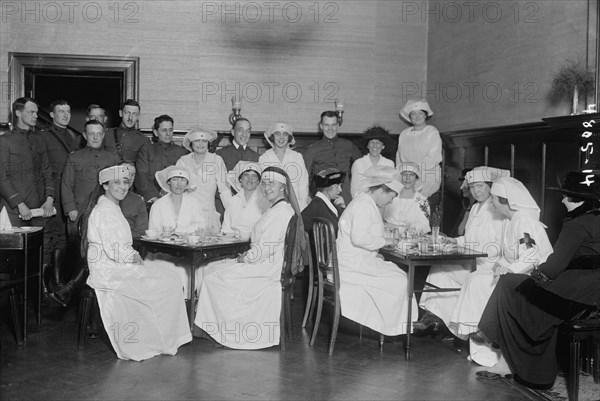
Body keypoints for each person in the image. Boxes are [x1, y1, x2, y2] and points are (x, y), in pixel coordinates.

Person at [473, 171, 600, 389]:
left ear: (575, 199)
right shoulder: (594, 217)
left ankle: (494, 338)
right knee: (511, 287)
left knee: (508, 286)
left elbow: (547, 263)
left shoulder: (573, 223)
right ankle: (492, 335)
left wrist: (532, 278)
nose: (561, 200)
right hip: (592, 289)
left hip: (575, 294)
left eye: (565, 196)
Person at [80, 163, 191, 361]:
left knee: (171, 276)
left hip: (120, 263)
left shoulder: (112, 207)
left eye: (125, 182)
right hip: (109, 271)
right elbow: (115, 250)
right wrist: (134, 258)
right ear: (105, 185)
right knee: (167, 282)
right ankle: (156, 339)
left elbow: (120, 246)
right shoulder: (105, 211)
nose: (123, 186)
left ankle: (163, 337)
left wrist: (133, 257)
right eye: (116, 182)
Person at [193, 166, 307, 349]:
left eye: (272, 184)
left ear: (283, 187)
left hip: (267, 270)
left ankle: (220, 331)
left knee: (213, 278)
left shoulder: (281, 212)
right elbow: (264, 247)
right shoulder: (277, 209)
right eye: (265, 184)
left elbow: (263, 250)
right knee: (212, 270)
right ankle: (218, 328)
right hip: (264, 262)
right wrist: (248, 255)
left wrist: (244, 258)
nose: (267, 188)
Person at [416, 167, 508, 336]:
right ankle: (440, 318)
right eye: (473, 187)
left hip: (486, 265)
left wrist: (465, 248)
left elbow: (498, 244)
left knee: (443, 271)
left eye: (480, 186)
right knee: (438, 270)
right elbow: (467, 237)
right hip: (470, 260)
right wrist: (453, 241)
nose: (476, 191)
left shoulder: (496, 210)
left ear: (489, 186)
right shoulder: (474, 208)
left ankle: (454, 326)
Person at [336, 165, 418, 336]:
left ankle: (396, 324)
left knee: (397, 272)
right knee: (400, 279)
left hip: (351, 259)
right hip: (351, 265)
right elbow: (359, 238)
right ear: (382, 190)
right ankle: (389, 326)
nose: (390, 202)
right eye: (391, 197)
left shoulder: (363, 201)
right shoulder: (364, 206)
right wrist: (384, 241)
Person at [54, 120, 120, 306]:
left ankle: (81, 301)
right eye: (92, 133)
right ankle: (78, 304)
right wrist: (70, 210)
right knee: (83, 258)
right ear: (85, 135)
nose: (96, 137)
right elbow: (66, 186)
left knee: (97, 260)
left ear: (104, 134)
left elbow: (118, 188)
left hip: (104, 217)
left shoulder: (112, 158)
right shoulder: (74, 157)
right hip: (80, 217)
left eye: (99, 133)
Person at [0, 98, 56, 296]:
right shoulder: (4, 141)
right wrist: (19, 204)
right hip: (15, 211)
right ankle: (13, 302)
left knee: (40, 254)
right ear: (18, 113)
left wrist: (49, 197)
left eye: (36, 112)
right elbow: (2, 177)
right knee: (14, 262)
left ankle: (38, 296)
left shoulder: (39, 140)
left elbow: (47, 171)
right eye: (31, 112)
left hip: (39, 208)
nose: (35, 116)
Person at [40, 99, 84, 298]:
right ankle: (51, 283)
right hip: (53, 193)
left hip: (70, 192)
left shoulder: (73, 135)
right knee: (54, 237)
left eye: (68, 111)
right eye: (60, 112)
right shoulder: (44, 137)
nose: (65, 115)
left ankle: (61, 282)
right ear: (51, 115)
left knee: (68, 238)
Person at [146, 166, 207, 297]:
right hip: (163, 254)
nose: (179, 184)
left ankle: (191, 305)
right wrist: (167, 236)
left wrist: (180, 231)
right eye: (175, 179)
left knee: (199, 270)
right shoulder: (158, 205)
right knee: (178, 272)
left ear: (187, 183)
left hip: (188, 252)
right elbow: (153, 231)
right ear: (168, 182)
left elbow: (200, 225)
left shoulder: (193, 202)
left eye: (182, 180)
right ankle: (177, 305)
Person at [176, 128, 232, 232]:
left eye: (204, 141)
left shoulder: (216, 160)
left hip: (208, 214)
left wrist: (232, 214)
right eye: (197, 140)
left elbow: (224, 190)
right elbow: (176, 189)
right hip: (187, 213)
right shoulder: (182, 161)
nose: (200, 144)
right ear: (191, 143)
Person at [303, 111, 362, 207]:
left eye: (333, 125)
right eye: (326, 125)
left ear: (338, 125)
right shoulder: (312, 149)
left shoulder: (348, 145)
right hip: (322, 200)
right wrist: (309, 196)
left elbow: (361, 168)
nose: (330, 129)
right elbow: (305, 177)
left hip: (346, 199)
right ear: (321, 126)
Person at [135, 115, 188, 203]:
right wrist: (152, 197)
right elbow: (141, 176)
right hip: (150, 201)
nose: (168, 134)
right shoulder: (146, 149)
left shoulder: (181, 152)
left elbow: (184, 179)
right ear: (156, 132)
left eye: (170, 130)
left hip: (174, 200)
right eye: (164, 130)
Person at [396, 100, 442, 198]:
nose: (417, 116)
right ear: (410, 117)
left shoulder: (431, 132)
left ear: (425, 115)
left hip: (427, 176)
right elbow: (399, 158)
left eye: (420, 113)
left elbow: (434, 157)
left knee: (416, 200)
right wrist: (402, 172)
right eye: (413, 114)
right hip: (406, 176)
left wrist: (415, 169)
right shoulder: (404, 134)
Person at [259, 122, 310, 210]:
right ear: (272, 136)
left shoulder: (297, 157)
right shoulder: (265, 158)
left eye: (285, 134)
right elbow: (264, 186)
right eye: (277, 134)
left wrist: (301, 206)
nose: (281, 137)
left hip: (296, 205)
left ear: (289, 137)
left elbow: (303, 184)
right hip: (272, 205)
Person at [221, 161, 265, 240]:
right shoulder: (233, 201)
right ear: (240, 179)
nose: (250, 179)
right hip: (234, 244)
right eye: (246, 175)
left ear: (259, 181)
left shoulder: (264, 201)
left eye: (254, 176)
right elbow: (226, 229)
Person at [384, 163, 431, 234]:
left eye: (411, 175)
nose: (408, 178)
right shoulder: (391, 196)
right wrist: (405, 228)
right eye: (405, 174)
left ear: (416, 178)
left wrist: (396, 227)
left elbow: (424, 226)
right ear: (400, 176)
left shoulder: (422, 200)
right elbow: (381, 220)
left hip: (410, 240)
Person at [350, 126, 395, 198]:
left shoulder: (389, 164)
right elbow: (354, 190)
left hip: (383, 203)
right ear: (367, 145)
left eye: (378, 143)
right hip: (362, 202)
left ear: (383, 146)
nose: (375, 146)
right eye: (372, 142)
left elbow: (391, 189)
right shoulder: (358, 164)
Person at [302, 168, 345, 236]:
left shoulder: (329, 204)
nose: (340, 190)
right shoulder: (315, 206)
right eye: (337, 186)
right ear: (327, 187)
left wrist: (342, 207)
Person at [119, 163, 148, 238]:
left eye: (133, 175)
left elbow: (142, 230)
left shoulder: (137, 200)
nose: (130, 178)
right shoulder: (104, 198)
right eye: (126, 173)